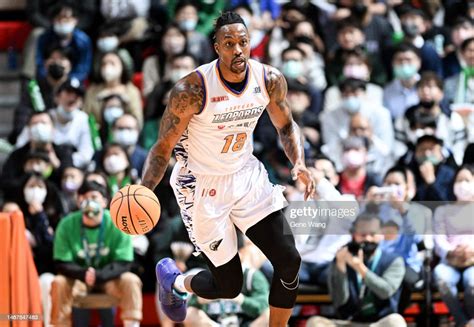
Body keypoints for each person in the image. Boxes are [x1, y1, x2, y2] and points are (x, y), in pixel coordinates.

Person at [141, 12, 314, 325]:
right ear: (216, 47)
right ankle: (176, 283)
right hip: (201, 184)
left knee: (289, 261)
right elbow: (162, 148)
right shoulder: (191, 90)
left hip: (246, 176)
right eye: (229, 43)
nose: (238, 49)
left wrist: (298, 161)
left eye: (243, 42)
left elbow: (287, 126)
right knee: (229, 285)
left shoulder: (269, 79)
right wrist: (144, 192)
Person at [50, 180, 142, 326]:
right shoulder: (66, 224)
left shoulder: (118, 221)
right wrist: (84, 274)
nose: (88, 201)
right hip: (78, 279)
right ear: (78, 201)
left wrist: (100, 275)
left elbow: (124, 262)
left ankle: (132, 324)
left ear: (104, 201)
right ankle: (59, 324)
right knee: (58, 282)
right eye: (83, 198)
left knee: (131, 280)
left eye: (93, 197)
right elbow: (61, 262)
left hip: (109, 278)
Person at [306, 213, 407, 327]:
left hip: (378, 323)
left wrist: (360, 268)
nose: (367, 238)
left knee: (396, 321)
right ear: (354, 235)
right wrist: (340, 268)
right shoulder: (342, 258)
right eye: (363, 234)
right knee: (314, 322)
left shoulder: (394, 260)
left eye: (373, 234)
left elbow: (385, 291)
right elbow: (339, 300)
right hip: (348, 322)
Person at [433, 164, 474, 327]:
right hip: (450, 261)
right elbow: (438, 240)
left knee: (473, 284)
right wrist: (452, 252)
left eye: (467, 180)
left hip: (472, 261)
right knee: (442, 278)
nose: (463, 184)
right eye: (459, 180)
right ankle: (462, 322)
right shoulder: (443, 211)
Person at [36, 3, 92, 82]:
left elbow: (83, 68)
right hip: (48, 79)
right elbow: (39, 63)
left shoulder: (83, 41)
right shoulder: (44, 38)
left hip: (73, 80)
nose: (62, 21)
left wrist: (68, 81)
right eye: (59, 18)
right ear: (53, 20)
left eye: (66, 18)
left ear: (75, 20)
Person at [383, 43, 422, 120]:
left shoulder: (427, 88)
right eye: (399, 60)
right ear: (393, 63)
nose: (404, 64)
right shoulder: (386, 91)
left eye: (408, 60)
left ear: (419, 62)